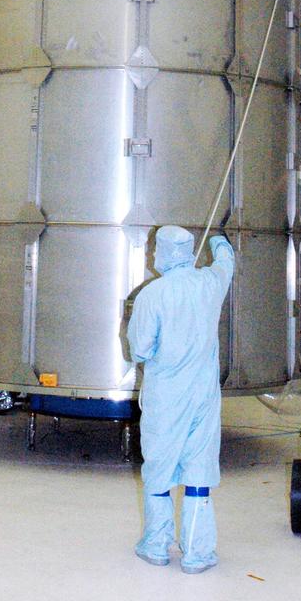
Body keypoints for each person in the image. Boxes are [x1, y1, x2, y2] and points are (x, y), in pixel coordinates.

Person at [127, 224, 235, 574]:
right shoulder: (210, 284)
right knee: (199, 467)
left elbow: (140, 350)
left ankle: (157, 546)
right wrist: (219, 240)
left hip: (166, 397)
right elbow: (226, 262)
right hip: (203, 394)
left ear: (161, 252)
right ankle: (197, 552)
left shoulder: (151, 295)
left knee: (159, 469)